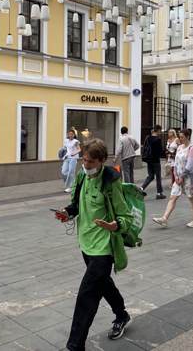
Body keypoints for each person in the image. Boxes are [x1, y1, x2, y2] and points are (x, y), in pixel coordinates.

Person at [55, 139, 133, 351]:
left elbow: (125, 216)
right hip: (86, 243)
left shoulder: (111, 181)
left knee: (87, 296)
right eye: (83, 159)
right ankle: (122, 315)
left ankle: (75, 345)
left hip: (104, 247)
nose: (85, 164)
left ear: (101, 161)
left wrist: (114, 225)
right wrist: (67, 212)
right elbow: (76, 204)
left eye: (89, 162)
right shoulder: (82, 176)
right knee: (103, 284)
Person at [152, 128, 193, 228]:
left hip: (189, 177)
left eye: (182, 137)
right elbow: (176, 162)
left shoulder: (192, 148)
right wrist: (176, 175)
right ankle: (164, 219)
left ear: (187, 137)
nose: (180, 139)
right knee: (172, 197)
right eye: (179, 136)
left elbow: (190, 165)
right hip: (178, 177)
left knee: (192, 198)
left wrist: (182, 176)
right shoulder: (179, 147)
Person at [140, 125, 166, 199]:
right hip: (156, 160)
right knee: (158, 177)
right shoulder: (158, 139)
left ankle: (141, 188)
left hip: (149, 160)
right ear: (157, 130)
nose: (160, 132)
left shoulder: (148, 138)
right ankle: (159, 193)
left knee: (150, 176)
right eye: (160, 130)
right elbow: (159, 151)